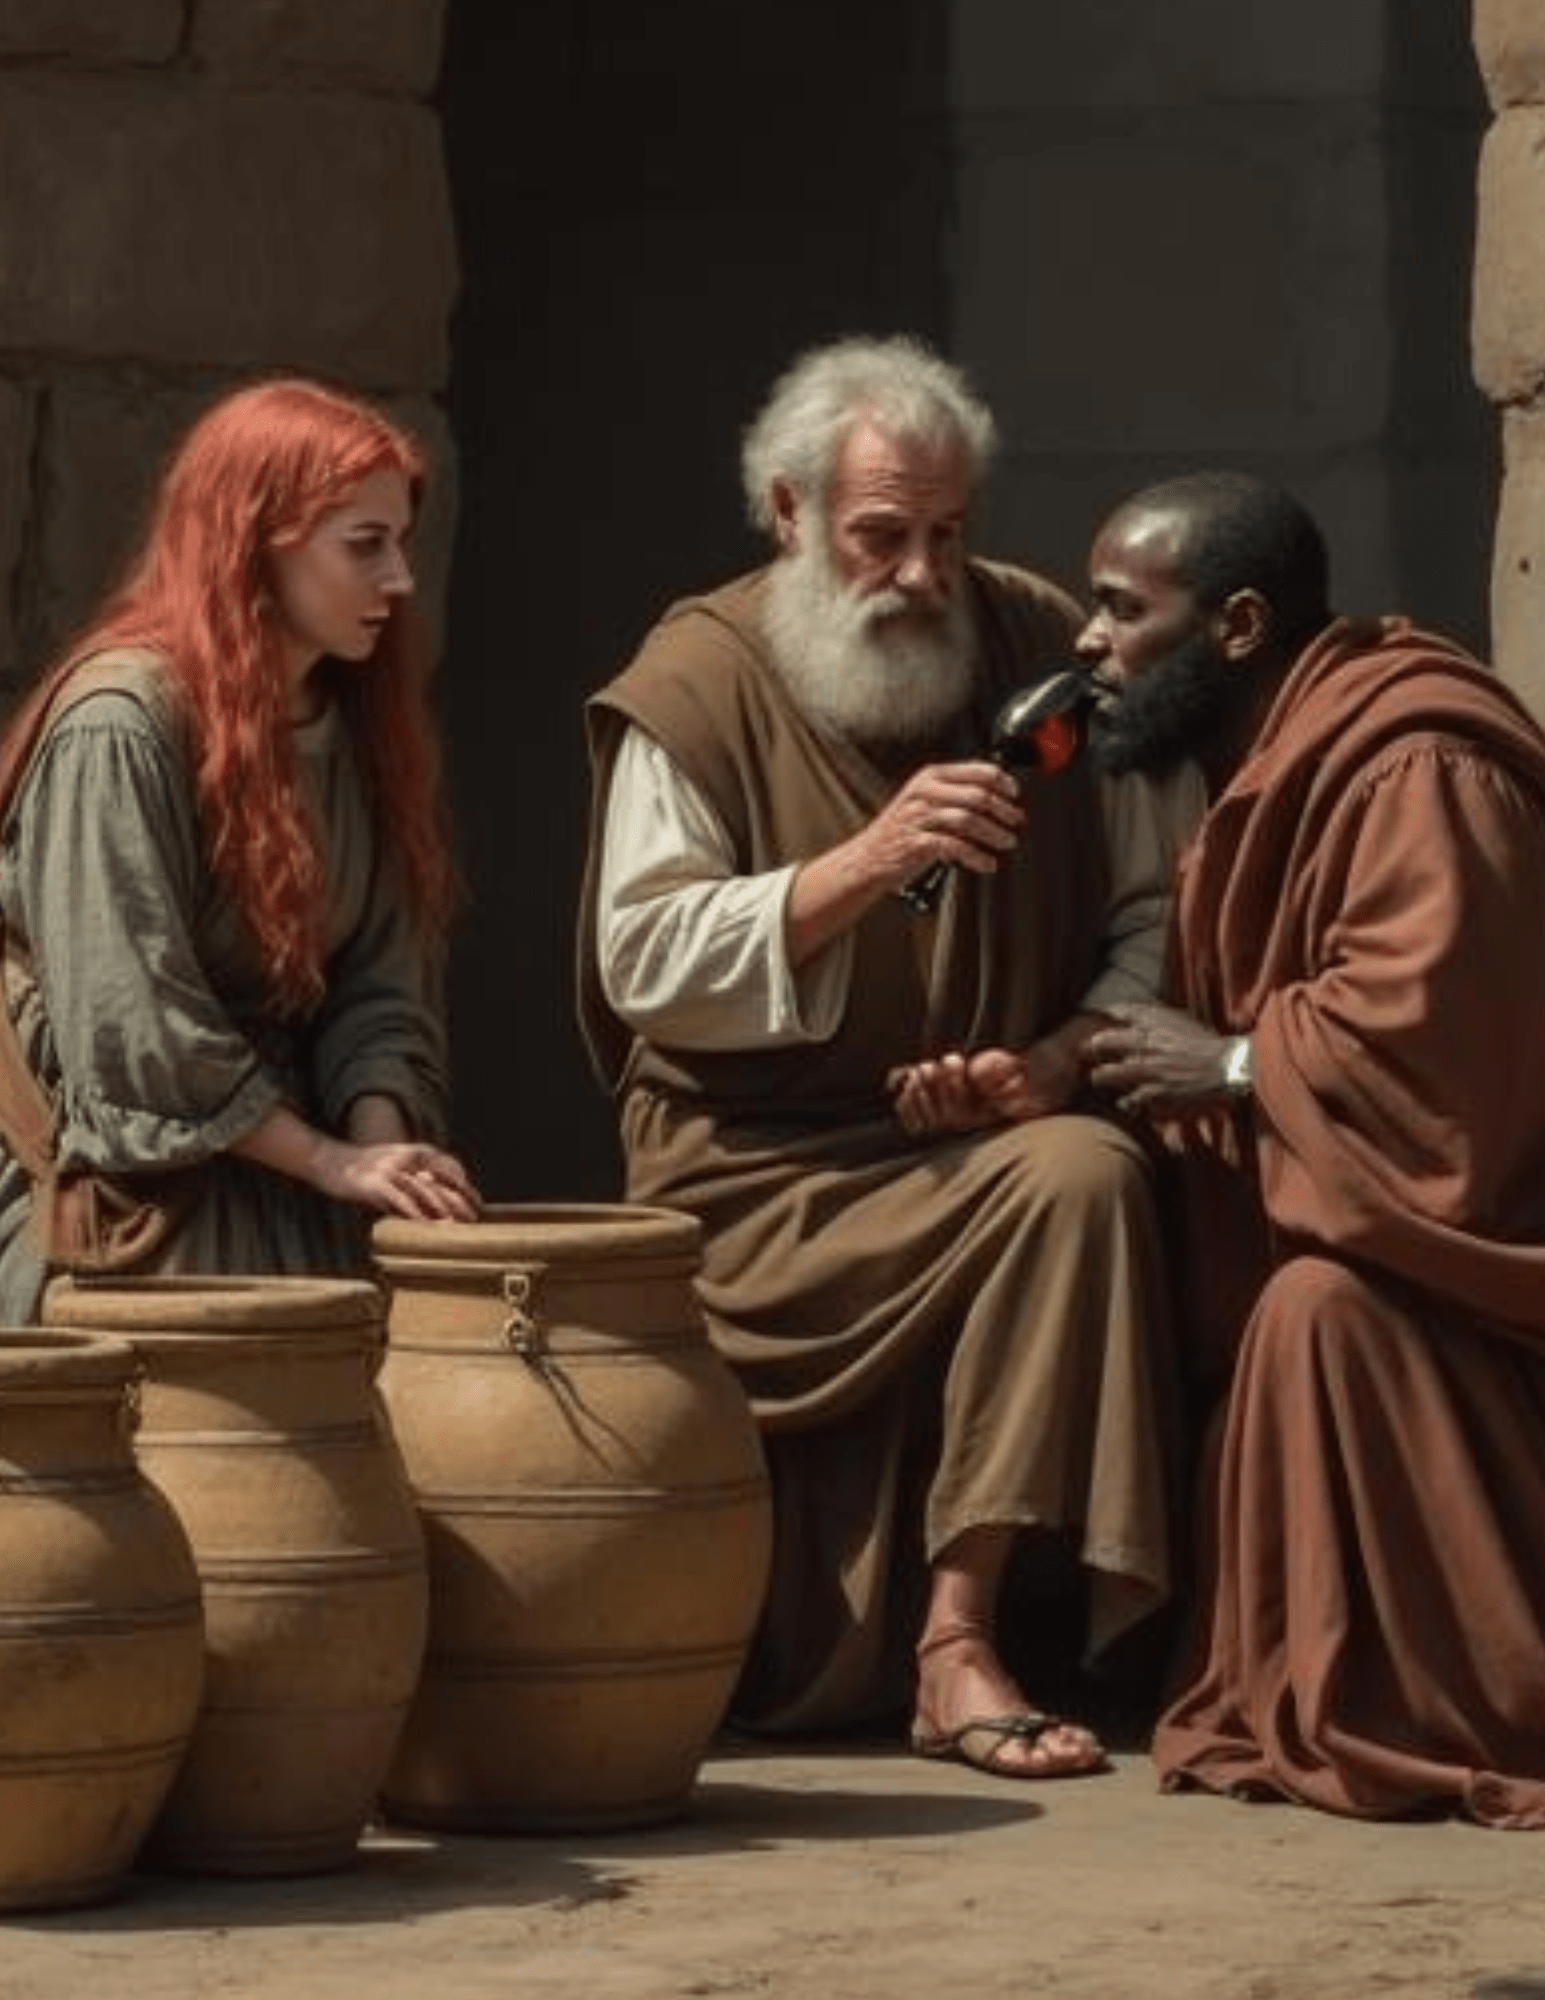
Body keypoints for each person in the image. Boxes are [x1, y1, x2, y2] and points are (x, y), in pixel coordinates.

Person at [577, 335, 1200, 1779]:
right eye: (881, 537)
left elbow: (1154, 909)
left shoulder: (1045, 645)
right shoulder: (699, 681)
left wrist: (1050, 1059)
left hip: (975, 1142)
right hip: (758, 1171)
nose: (923, 576)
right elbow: (645, 962)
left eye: (947, 534)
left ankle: (957, 1642)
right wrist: (856, 868)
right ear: (789, 515)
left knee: (1084, 1173)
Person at [1079, 469, 1545, 1828]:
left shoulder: (1422, 769)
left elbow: (1441, 1076)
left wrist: (1226, 1062)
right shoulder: (1276, 760)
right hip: (1376, 1237)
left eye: (1120, 611)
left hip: (1483, 1285)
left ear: (1233, 626)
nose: (1087, 643)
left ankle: (1452, 1701)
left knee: (1316, 1313)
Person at [0, 376, 480, 1325]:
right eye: (365, 545)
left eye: (402, 542)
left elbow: (378, 979)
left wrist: (386, 1161)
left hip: (301, 1182)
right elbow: (131, 1021)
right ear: (258, 541)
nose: (400, 580)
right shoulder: (119, 725)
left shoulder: (350, 726)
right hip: (134, 1196)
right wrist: (331, 1161)